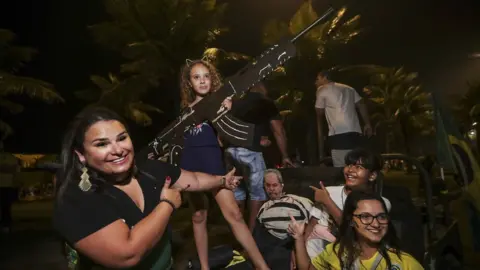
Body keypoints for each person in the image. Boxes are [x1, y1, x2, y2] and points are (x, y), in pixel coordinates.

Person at [53, 106, 242, 270]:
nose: (118, 149)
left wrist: (222, 181)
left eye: (122, 138)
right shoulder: (75, 199)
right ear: (81, 155)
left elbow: (194, 179)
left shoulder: (150, 170)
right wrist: (167, 203)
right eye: (102, 144)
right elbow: (127, 255)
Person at [178, 59, 269, 270]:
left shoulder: (220, 103)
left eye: (206, 76)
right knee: (199, 215)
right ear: (189, 83)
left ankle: (262, 266)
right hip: (190, 163)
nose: (202, 81)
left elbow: (222, 140)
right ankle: (204, 267)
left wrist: (225, 111)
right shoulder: (184, 112)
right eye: (196, 77)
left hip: (212, 164)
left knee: (235, 215)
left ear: (212, 79)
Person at [288, 190, 423, 270]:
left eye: (381, 217)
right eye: (365, 217)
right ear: (351, 220)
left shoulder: (404, 263)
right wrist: (299, 238)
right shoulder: (337, 252)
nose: (375, 224)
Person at [226, 82, 294, 231]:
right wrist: (285, 155)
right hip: (251, 153)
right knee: (258, 196)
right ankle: (252, 237)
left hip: (231, 152)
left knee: (238, 194)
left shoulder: (236, 102)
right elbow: (278, 130)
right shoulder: (266, 103)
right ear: (263, 88)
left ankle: (239, 234)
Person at [304, 148, 391, 259]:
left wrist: (327, 201)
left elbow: (355, 231)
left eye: (358, 167)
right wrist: (300, 251)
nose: (350, 170)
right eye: (349, 165)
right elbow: (311, 225)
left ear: (372, 176)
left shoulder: (381, 204)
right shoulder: (328, 192)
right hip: (319, 255)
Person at [254, 169, 322, 270]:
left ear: (282, 185)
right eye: (268, 185)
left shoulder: (296, 201)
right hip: (271, 242)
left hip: (292, 239)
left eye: (275, 185)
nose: (271, 189)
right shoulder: (264, 207)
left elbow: (311, 221)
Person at [315, 71, 373, 167]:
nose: (315, 83)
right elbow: (361, 104)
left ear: (325, 77)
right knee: (356, 165)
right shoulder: (349, 88)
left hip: (339, 134)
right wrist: (367, 124)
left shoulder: (322, 89)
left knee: (342, 168)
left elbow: (319, 112)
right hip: (356, 133)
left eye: (317, 79)